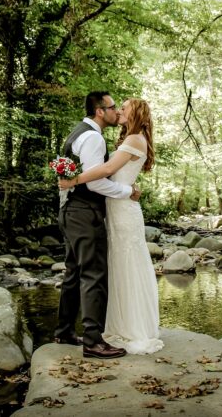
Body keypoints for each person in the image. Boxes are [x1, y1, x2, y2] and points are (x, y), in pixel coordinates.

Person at [59, 98, 163, 355]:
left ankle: (131, 328)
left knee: (125, 265)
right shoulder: (118, 139)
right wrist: (127, 190)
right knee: (106, 269)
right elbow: (104, 175)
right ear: (99, 111)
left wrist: (73, 180)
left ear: (135, 113)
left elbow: (106, 169)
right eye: (116, 107)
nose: (119, 111)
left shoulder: (134, 139)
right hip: (111, 208)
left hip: (122, 210)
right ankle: (93, 332)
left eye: (124, 107)